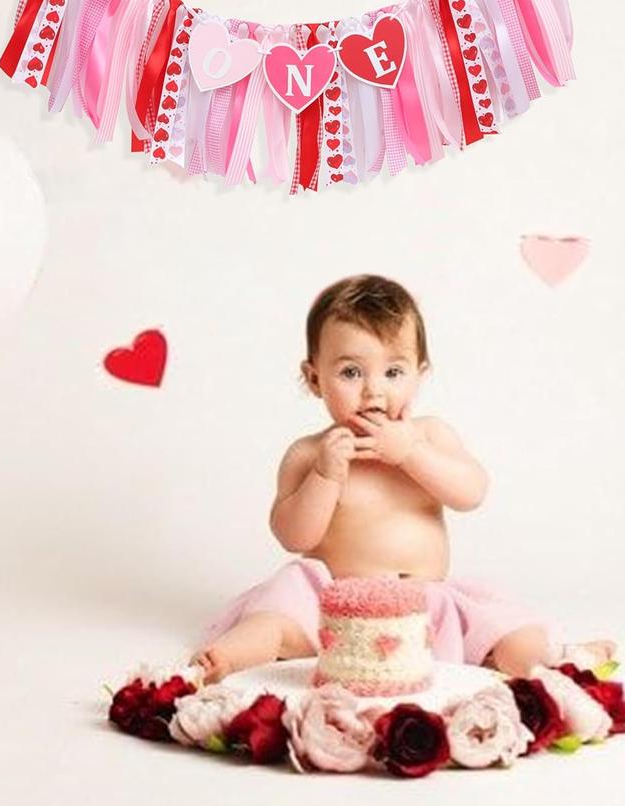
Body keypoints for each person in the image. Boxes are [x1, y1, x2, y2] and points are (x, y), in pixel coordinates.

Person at [193, 275, 615, 683]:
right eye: (351, 372)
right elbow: (294, 537)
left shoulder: (429, 435)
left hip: (423, 600)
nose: (374, 390)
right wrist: (325, 476)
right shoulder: (309, 453)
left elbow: (472, 492)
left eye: (393, 372)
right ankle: (222, 659)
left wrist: (411, 452)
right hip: (334, 602)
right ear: (314, 378)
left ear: (419, 373)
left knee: (505, 635)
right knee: (278, 613)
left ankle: (561, 663)